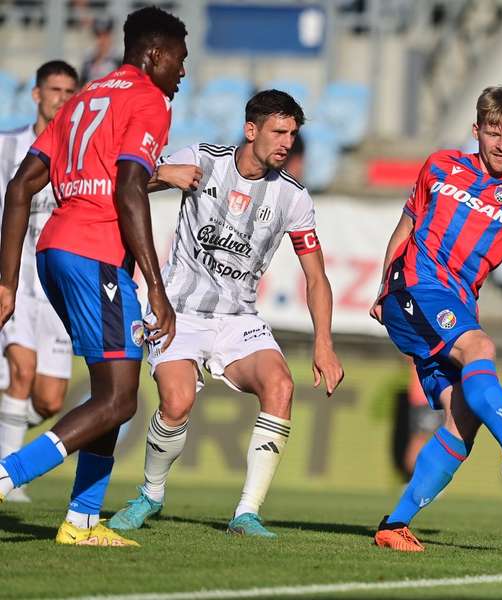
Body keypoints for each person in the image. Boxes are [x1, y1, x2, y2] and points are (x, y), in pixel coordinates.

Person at [106, 90, 344, 539]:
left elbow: (316, 277)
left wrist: (324, 344)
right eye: (278, 131)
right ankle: (150, 495)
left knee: (280, 385)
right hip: (179, 310)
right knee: (177, 403)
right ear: (250, 130)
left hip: (239, 319)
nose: (287, 142)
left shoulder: (293, 198)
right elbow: (128, 182)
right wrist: (162, 172)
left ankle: (246, 513)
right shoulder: (202, 159)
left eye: (293, 133)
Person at [0, 6, 187, 547]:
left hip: (54, 251)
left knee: (113, 389)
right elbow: (130, 187)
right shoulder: (148, 100)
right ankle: (9, 475)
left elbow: (19, 188)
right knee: (119, 400)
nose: (183, 72)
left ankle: (82, 521)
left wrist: (6, 281)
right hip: (95, 256)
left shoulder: (83, 99)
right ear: (154, 55)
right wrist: (154, 284)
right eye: (179, 59)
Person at [369, 85, 502, 552]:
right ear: (476, 129)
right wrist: (383, 286)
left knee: (463, 418)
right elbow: (406, 227)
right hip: (414, 288)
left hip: (454, 303)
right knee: (481, 348)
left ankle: (393, 524)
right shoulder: (440, 166)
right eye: (494, 131)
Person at [0, 61, 78, 503]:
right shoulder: (8, 145)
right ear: (36, 94)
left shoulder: (81, 152)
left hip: (56, 283)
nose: (62, 99)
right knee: (21, 371)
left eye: (70, 91)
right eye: (55, 89)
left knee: (49, 401)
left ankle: (4, 444)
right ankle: (11, 481)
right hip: (14, 277)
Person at [79, 17, 120, 85]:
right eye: (98, 35)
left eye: (105, 35)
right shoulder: (88, 58)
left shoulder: (118, 59)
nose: (102, 40)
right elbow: (82, 83)